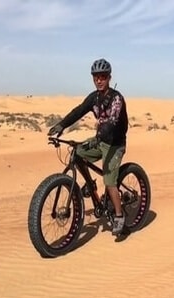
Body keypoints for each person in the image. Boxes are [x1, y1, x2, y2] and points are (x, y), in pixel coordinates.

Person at [48, 58, 129, 236]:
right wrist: (62, 125)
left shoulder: (116, 98)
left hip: (115, 144)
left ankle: (119, 216)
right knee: (78, 152)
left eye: (103, 77)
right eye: (96, 77)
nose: (99, 80)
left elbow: (113, 123)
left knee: (109, 181)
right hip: (100, 139)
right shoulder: (95, 98)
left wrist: (98, 137)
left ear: (109, 77)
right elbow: (79, 111)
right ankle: (90, 185)